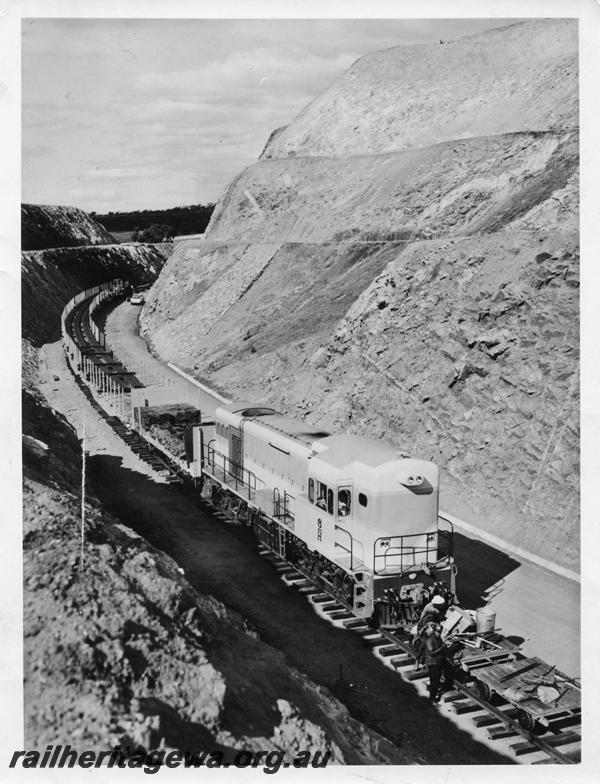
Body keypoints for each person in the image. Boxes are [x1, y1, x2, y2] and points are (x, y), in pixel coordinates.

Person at [425, 624, 454, 703]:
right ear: (434, 631)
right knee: (434, 681)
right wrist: (442, 648)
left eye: (440, 632)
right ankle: (432, 699)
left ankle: (440, 688)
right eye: (438, 632)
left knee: (438, 679)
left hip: (438, 661)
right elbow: (431, 653)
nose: (439, 633)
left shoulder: (438, 639)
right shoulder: (430, 640)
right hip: (432, 663)